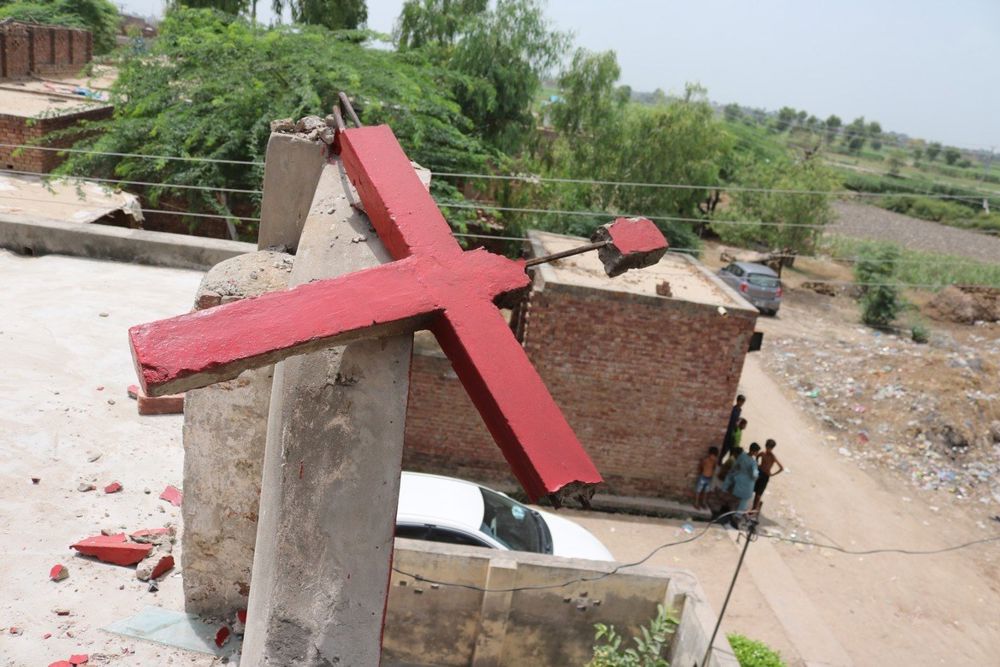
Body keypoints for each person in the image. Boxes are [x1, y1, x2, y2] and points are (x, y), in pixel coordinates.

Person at [723, 443, 759, 515]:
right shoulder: (753, 462)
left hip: (738, 479)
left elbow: (735, 466)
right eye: (756, 452)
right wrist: (756, 477)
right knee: (744, 501)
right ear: (754, 451)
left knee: (735, 499)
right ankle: (737, 516)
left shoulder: (742, 455)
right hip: (747, 484)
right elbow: (754, 475)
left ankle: (728, 511)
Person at [752, 439, 784, 511]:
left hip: (765, 476)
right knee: (752, 489)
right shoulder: (762, 453)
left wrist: (772, 474)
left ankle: (754, 508)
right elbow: (757, 456)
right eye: (767, 447)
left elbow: (781, 468)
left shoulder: (773, 457)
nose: (768, 449)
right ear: (765, 446)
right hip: (759, 472)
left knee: (758, 494)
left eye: (770, 448)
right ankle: (755, 507)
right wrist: (757, 464)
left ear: (772, 448)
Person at [721, 395, 746, 461]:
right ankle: (720, 460)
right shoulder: (733, 409)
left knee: (732, 450)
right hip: (729, 431)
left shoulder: (739, 410)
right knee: (725, 448)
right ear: (737, 401)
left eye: (743, 402)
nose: (741, 404)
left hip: (733, 432)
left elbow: (737, 420)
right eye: (741, 402)